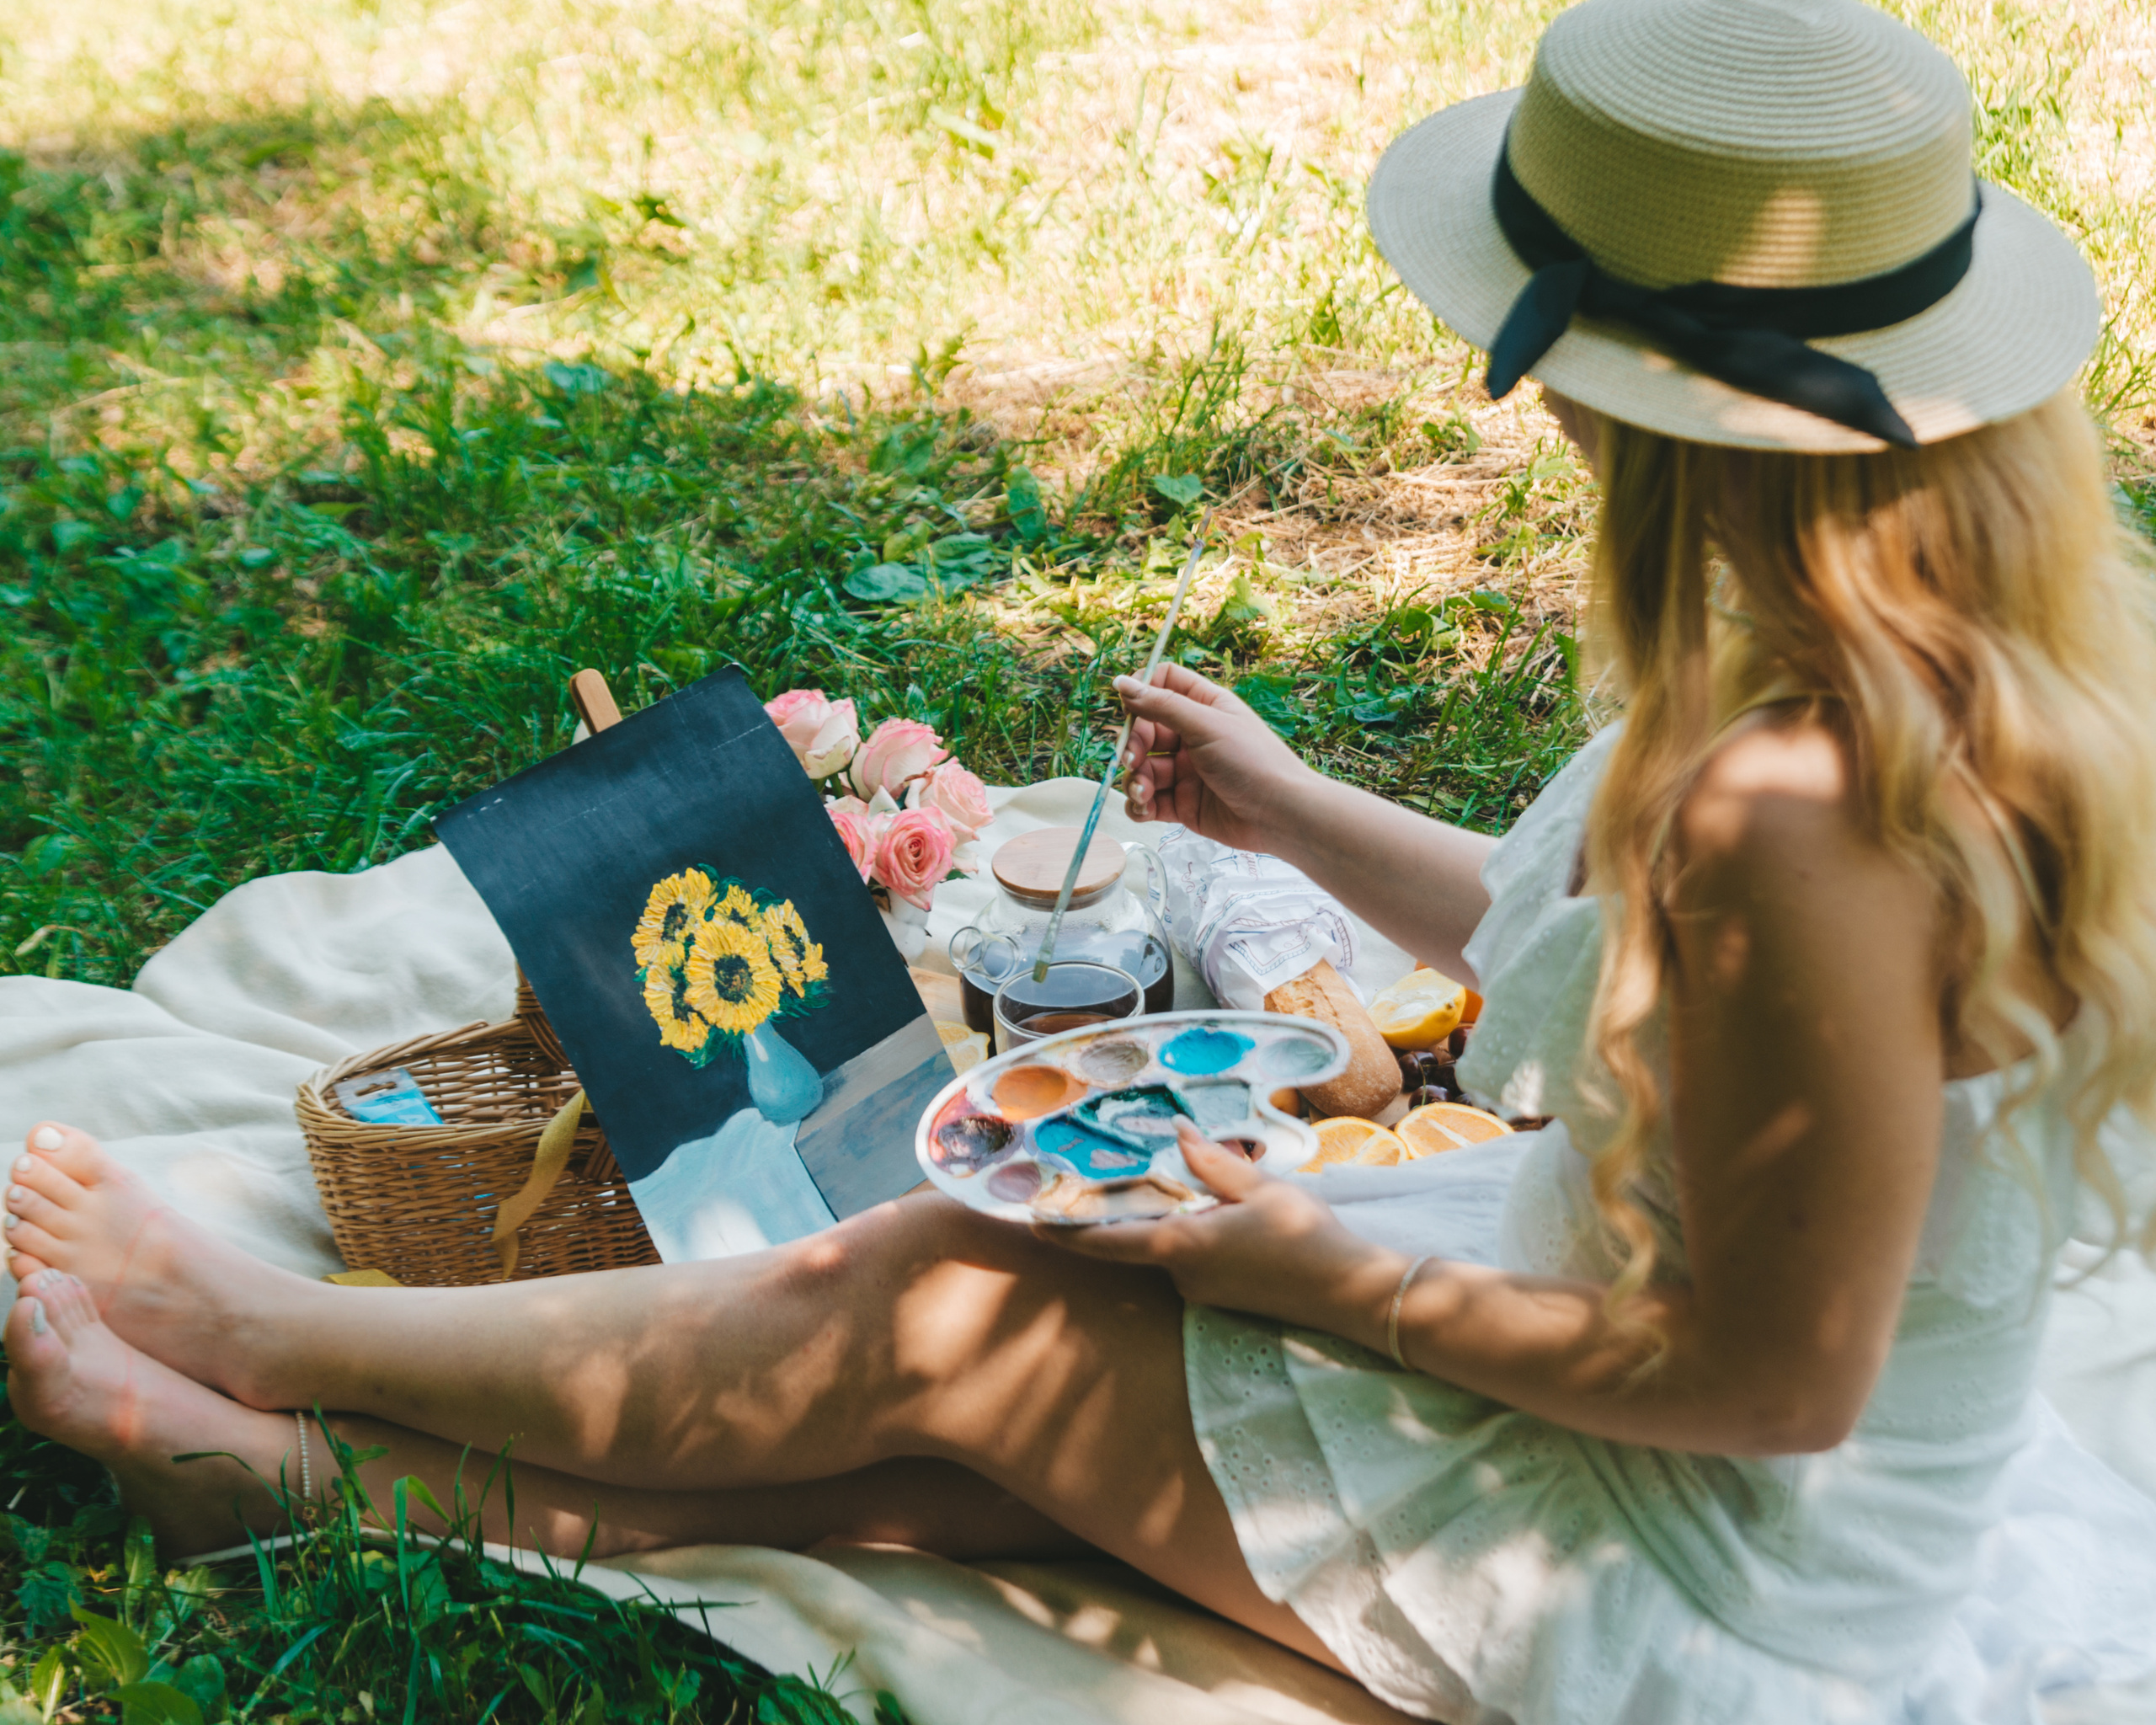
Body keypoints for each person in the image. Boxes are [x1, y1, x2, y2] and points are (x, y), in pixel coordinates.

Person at [9, 0, 2156, 1717]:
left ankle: (278, 1338)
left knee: (941, 1292)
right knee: (976, 1425)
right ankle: (295, 1476)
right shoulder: (1914, 660)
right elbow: (1592, 957)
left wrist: (1339, 1278)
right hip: (1651, 1354)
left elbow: (1770, 1383)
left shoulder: (1799, 808)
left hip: (1719, 1574)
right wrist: (1289, 800)